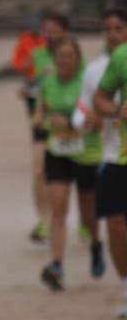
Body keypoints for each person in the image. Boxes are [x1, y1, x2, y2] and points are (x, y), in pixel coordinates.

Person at [36, 39, 101, 290]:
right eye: (61, 56)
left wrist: (78, 124)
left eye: (70, 55)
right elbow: (40, 117)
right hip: (58, 153)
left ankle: (96, 243)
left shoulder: (88, 82)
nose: (65, 60)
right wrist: (47, 121)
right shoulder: (48, 83)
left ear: (78, 58)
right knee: (58, 209)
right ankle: (57, 265)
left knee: (88, 215)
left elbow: (98, 121)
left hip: (86, 155)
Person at [75, 7, 127, 318]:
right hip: (114, 155)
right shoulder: (101, 68)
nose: (112, 34)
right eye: (107, 29)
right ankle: (125, 287)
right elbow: (92, 103)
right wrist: (111, 112)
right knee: (116, 225)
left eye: (118, 28)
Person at [19, 13, 73, 242]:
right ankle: (43, 221)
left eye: (53, 29)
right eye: (45, 30)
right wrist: (26, 91)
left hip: (71, 124)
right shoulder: (37, 55)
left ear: (64, 31)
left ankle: (84, 222)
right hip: (43, 121)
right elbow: (31, 83)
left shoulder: (73, 55)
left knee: (75, 176)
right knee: (40, 170)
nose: (49, 34)